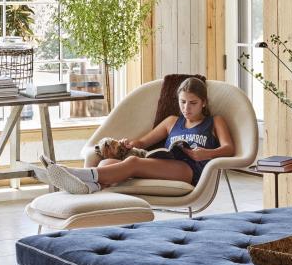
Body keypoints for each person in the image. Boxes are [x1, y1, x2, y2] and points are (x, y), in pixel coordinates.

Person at [39, 77, 235, 194]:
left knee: (132, 162)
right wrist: (128, 142)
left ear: (203, 103)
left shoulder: (214, 121)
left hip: (190, 170)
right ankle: (90, 188)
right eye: (183, 102)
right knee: (105, 164)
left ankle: (71, 173)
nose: (186, 108)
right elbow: (142, 142)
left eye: (192, 103)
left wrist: (206, 153)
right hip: (166, 164)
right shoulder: (171, 122)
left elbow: (229, 148)